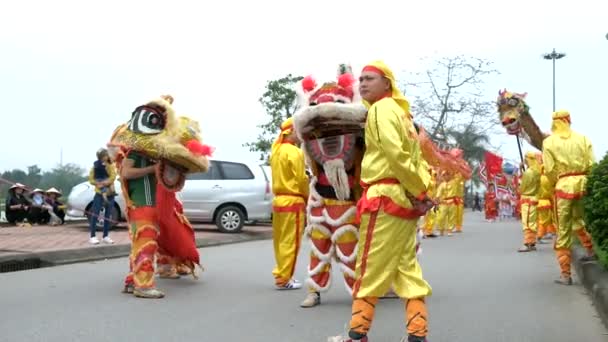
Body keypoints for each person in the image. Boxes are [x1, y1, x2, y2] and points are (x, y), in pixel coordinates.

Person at [329, 61, 432, 342]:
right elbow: (416, 158)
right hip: (401, 198)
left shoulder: (380, 110)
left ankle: (356, 334)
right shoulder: (401, 114)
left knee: (368, 267)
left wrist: (419, 191)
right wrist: (421, 189)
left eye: (369, 79)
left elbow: (396, 155)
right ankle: (417, 334)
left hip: (384, 198)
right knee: (406, 266)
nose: (362, 84)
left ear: (387, 83)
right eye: (360, 79)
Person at [291, 65, 367, 308]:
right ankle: (314, 291)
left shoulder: (358, 142)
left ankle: (360, 293)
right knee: (317, 251)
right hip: (320, 203)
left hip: (346, 203)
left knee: (349, 249)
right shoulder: (311, 142)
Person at [542, 110, 595, 285]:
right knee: (580, 219)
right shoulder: (583, 138)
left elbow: (549, 170)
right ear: (568, 120)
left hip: (563, 186)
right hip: (583, 183)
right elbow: (591, 164)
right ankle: (590, 250)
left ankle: (565, 274)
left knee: (563, 228)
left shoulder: (549, 141)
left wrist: (552, 186)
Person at [269, 117, 309, 290]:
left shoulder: (276, 150)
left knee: (280, 241)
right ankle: (284, 278)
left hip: (278, 200)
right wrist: (307, 197)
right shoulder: (295, 152)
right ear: (291, 131)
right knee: (291, 241)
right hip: (293, 200)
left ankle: (280, 273)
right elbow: (301, 179)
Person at [87, 148, 116, 244]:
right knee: (95, 214)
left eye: (106, 155)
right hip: (99, 193)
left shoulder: (110, 166)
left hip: (110, 193)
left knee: (108, 215)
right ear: (100, 157)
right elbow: (91, 179)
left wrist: (105, 182)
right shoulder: (95, 167)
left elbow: (113, 176)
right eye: (104, 155)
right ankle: (92, 236)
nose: (105, 157)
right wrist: (98, 183)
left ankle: (106, 236)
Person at [517, 152, 541, 252]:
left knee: (527, 223)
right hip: (534, 198)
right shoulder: (537, 171)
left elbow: (521, 188)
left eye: (525, 159)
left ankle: (527, 243)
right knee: (532, 222)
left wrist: (520, 174)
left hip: (527, 199)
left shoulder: (528, 172)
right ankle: (532, 242)